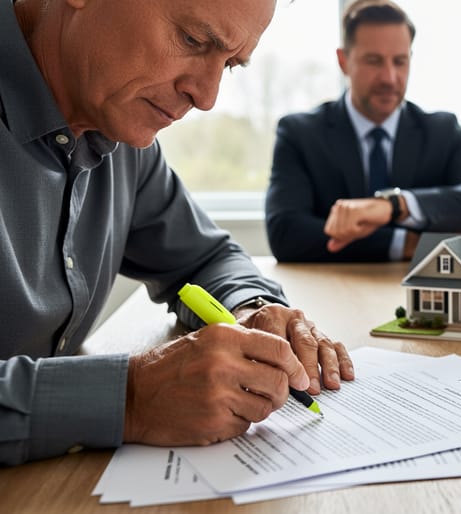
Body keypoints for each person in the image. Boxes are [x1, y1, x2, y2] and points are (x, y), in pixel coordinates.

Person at [0, 0, 355, 467]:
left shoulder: (119, 131)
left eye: (229, 65)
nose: (206, 97)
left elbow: (205, 258)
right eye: (192, 39)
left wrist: (252, 310)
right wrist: (129, 399)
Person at [265, 0, 461, 262]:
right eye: (374, 61)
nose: (389, 78)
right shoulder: (300, 134)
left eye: (400, 62)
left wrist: (394, 206)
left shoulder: (442, 131)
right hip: (332, 290)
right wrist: (403, 242)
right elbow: (285, 234)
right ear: (343, 60)